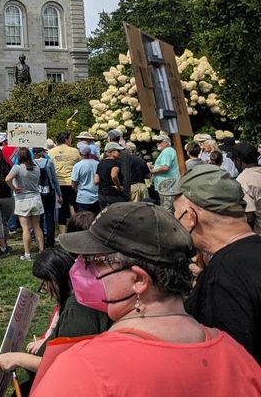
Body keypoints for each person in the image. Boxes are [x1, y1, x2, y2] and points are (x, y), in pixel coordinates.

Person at [32, 202, 261, 395]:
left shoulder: (82, 370)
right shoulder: (237, 356)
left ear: (139, 280)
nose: (80, 269)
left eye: (95, 261)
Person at [162, 165, 261, 362]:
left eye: (176, 214)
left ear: (191, 217)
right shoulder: (241, 259)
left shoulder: (223, 277)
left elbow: (232, 363)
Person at [0, 247, 111, 388]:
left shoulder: (77, 313)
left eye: (44, 285)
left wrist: (19, 359)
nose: (45, 290)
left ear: (54, 279)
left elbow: (68, 367)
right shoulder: (79, 299)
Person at [7, 147, 45, 260]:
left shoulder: (17, 168)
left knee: (25, 228)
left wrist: (14, 188)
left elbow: (7, 179)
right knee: (37, 227)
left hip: (22, 199)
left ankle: (27, 254)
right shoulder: (36, 167)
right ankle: (41, 251)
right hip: (36, 198)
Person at [48, 131, 81, 231]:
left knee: (61, 209)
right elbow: (79, 164)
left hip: (58, 184)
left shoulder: (51, 152)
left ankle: (63, 232)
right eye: (70, 138)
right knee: (74, 206)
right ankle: (77, 228)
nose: (71, 141)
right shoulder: (74, 151)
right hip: (72, 183)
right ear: (66, 139)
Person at [33, 146, 61, 249]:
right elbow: (54, 180)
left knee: (38, 219)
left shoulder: (32, 164)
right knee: (50, 218)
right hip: (50, 192)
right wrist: (59, 194)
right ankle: (50, 242)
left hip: (37, 192)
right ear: (43, 153)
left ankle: (40, 242)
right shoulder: (49, 162)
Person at [148, 134, 179, 210]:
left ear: (166, 142)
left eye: (160, 142)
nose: (158, 144)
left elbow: (165, 167)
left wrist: (152, 171)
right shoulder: (168, 151)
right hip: (167, 185)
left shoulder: (167, 151)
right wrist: (152, 167)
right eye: (157, 142)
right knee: (167, 207)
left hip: (167, 185)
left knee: (167, 209)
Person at [70, 142, 100, 215]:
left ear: (80, 154)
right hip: (97, 197)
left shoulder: (78, 166)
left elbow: (73, 183)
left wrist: (75, 190)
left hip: (83, 197)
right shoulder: (98, 163)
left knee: (83, 221)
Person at [95, 140, 128, 208]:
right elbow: (114, 175)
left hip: (102, 195)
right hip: (114, 195)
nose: (120, 153)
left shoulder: (100, 163)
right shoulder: (116, 163)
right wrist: (119, 187)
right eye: (118, 151)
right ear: (111, 152)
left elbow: (96, 181)